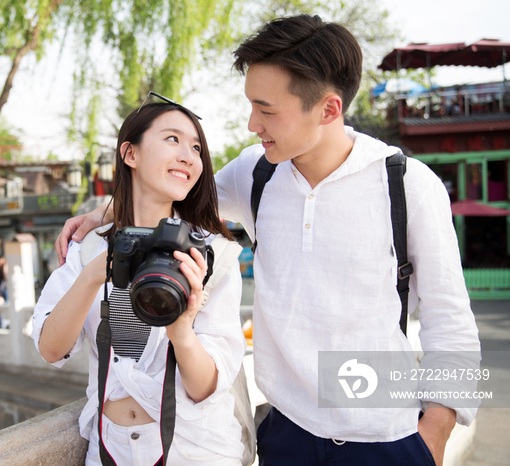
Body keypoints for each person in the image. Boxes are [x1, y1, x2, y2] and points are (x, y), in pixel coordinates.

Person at [55, 15, 481, 466]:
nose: (251, 123)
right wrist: (102, 214)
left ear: (328, 109)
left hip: (387, 439)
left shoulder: (406, 185)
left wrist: (433, 434)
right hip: (285, 437)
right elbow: (176, 193)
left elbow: (449, 320)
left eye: (267, 109)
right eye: (250, 105)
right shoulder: (256, 172)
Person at [33, 99, 246, 465]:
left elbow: (206, 387)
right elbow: (51, 350)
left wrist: (182, 330)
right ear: (130, 153)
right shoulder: (89, 249)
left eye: (196, 147)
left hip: (194, 451)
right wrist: (94, 274)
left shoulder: (214, 254)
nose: (188, 156)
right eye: (172, 139)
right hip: (110, 450)